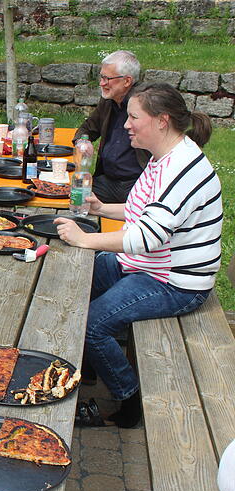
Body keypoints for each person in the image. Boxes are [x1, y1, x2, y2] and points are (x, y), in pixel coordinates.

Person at [55, 83, 222, 428]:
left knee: (94, 323)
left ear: (161, 121)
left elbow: (146, 236)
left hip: (175, 282)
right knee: (75, 280)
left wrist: (87, 239)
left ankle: (128, 399)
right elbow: (142, 210)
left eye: (133, 117)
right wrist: (101, 207)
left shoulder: (181, 169)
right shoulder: (165, 157)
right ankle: (85, 370)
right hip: (150, 264)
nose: (125, 125)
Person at [73, 50, 151, 203]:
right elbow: (88, 127)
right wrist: (83, 141)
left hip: (136, 183)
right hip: (107, 181)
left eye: (107, 78)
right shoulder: (109, 100)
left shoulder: (146, 104)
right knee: (73, 195)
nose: (102, 83)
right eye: (101, 77)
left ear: (127, 81)